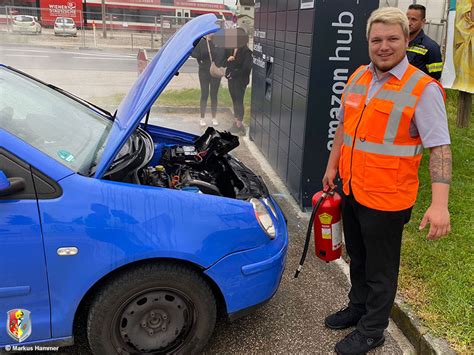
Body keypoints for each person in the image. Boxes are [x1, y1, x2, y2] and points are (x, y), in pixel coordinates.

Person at [322, 7, 452, 354]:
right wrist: (332, 166)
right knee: (357, 257)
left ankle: (373, 329)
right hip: (352, 188)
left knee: (381, 269)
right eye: (376, 39)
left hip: (388, 199)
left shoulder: (423, 89)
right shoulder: (358, 78)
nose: (384, 46)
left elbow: (440, 148)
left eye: (392, 38)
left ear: (406, 40)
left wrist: (440, 205)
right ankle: (358, 307)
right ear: (368, 42)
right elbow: (345, 129)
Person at [191, 36, 227, 127]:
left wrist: (220, 65)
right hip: (204, 72)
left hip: (215, 72)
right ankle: (202, 117)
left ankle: (214, 117)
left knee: (214, 94)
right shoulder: (201, 42)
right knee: (204, 94)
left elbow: (224, 55)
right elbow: (194, 53)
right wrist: (200, 62)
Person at [226, 28, 253, 135]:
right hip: (232, 80)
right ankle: (236, 121)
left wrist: (233, 70)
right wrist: (228, 71)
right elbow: (229, 63)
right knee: (234, 100)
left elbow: (246, 69)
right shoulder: (233, 49)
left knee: (239, 101)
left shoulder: (246, 51)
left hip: (240, 81)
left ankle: (238, 124)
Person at [406, 4, 443, 80]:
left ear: (423, 22)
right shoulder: (398, 42)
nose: (409, 23)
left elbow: (435, 78)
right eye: (407, 18)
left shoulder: (432, 47)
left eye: (413, 19)